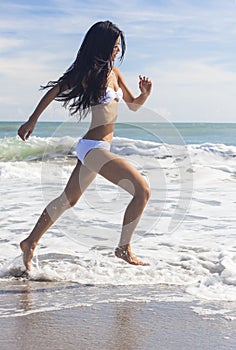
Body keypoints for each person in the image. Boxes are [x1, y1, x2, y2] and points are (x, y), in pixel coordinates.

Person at [18, 20, 152, 271]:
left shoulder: (115, 73)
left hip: (96, 147)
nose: (117, 50)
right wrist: (32, 120)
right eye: (114, 46)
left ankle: (30, 242)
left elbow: (132, 104)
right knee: (142, 190)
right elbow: (55, 90)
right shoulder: (89, 73)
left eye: (119, 46)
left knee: (68, 199)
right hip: (94, 148)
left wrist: (144, 94)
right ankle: (123, 248)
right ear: (101, 45)